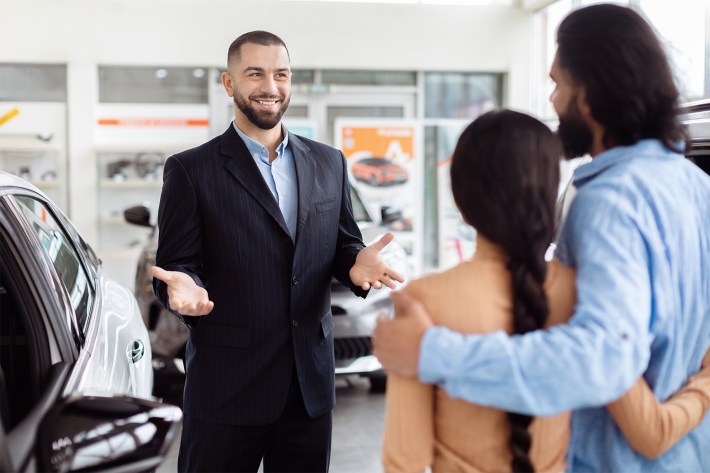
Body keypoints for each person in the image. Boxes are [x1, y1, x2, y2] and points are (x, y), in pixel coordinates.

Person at [373, 4, 710, 471]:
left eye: (558, 83)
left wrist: (434, 351)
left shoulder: (608, 201)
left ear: (589, 93)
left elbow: (605, 360)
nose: (552, 100)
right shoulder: (697, 186)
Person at [151, 30, 404, 473]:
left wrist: (355, 261)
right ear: (229, 84)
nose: (271, 86)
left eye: (281, 74)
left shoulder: (329, 162)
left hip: (308, 388)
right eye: (255, 74)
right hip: (227, 389)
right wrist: (182, 290)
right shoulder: (191, 170)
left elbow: (343, 241)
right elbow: (177, 266)